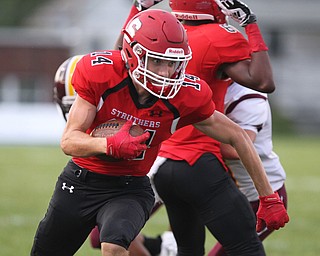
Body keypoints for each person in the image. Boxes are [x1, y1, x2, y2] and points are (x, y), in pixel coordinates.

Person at [30, 9, 287, 256]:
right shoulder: (100, 72)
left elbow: (236, 135)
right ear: (133, 55)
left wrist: (269, 196)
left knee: (114, 243)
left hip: (130, 187)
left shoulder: (186, 94)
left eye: (173, 63)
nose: (166, 73)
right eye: (157, 61)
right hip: (80, 180)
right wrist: (108, 145)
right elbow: (69, 140)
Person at [207, 82, 288, 255]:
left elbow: (235, 150)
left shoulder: (248, 97)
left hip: (262, 195)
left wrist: (191, 136)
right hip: (235, 194)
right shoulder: (206, 83)